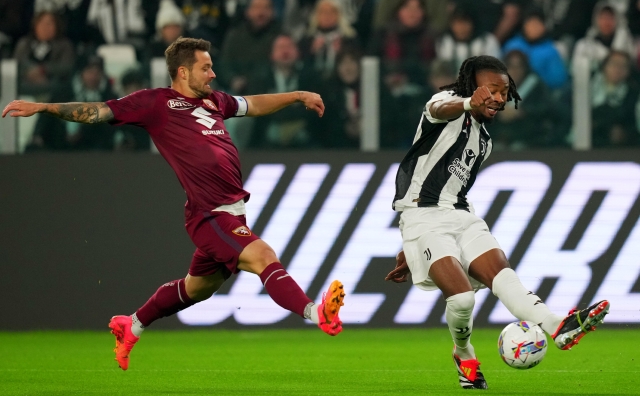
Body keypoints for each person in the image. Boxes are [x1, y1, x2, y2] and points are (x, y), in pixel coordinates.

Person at [2, 37, 346, 371]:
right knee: (263, 257)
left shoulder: (215, 102)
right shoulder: (155, 103)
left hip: (231, 211)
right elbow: (97, 112)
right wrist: (45, 107)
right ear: (183, 72)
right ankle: (317, 313)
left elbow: (253, 104)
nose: (212, 74)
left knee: (195, 289)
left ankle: (131, 324)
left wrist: (298, 95)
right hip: (209, 215)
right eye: (205, 67)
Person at [384, 55, 610, 390]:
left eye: (504, 93)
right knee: (462, 301)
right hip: (423, 217)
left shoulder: (484, 141)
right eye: (493, 90)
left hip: (462, 215)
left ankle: (557, 327)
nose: (500, 99)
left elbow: (453, 188)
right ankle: (463, 353)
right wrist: (465, 101)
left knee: (504, 277)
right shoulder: (444, 102)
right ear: (473, 87)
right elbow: (439, 111)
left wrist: (415, 252)